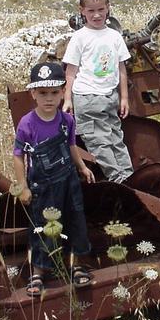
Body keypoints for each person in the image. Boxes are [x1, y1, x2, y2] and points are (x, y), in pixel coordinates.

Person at [13, 62, 95, 296]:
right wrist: (23, 187)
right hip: (42, 185)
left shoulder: (66, 121)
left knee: (75, 221)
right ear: (33, 94)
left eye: (54, 93)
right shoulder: (27, 124)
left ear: (62, 92)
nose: (48, 99)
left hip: (68, 181)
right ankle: (39, 273)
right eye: (42, 94)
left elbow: (71, 146)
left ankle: (77, 266)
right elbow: (18, 157)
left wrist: (81, 168)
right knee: (42, 226)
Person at [62, 0, 134, 183]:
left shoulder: (114, 36)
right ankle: (118, 181)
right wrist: (68, 99)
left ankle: (129, 177)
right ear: (82, 11)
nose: (96, 15)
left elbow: (121, 68)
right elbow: (71, 71)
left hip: (110, 96)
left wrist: (124, 98)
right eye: (91, 11)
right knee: (99, 142)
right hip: (87, 98)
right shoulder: (79, 38)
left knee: (115, 138)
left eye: (101, 10)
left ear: (108, 8)